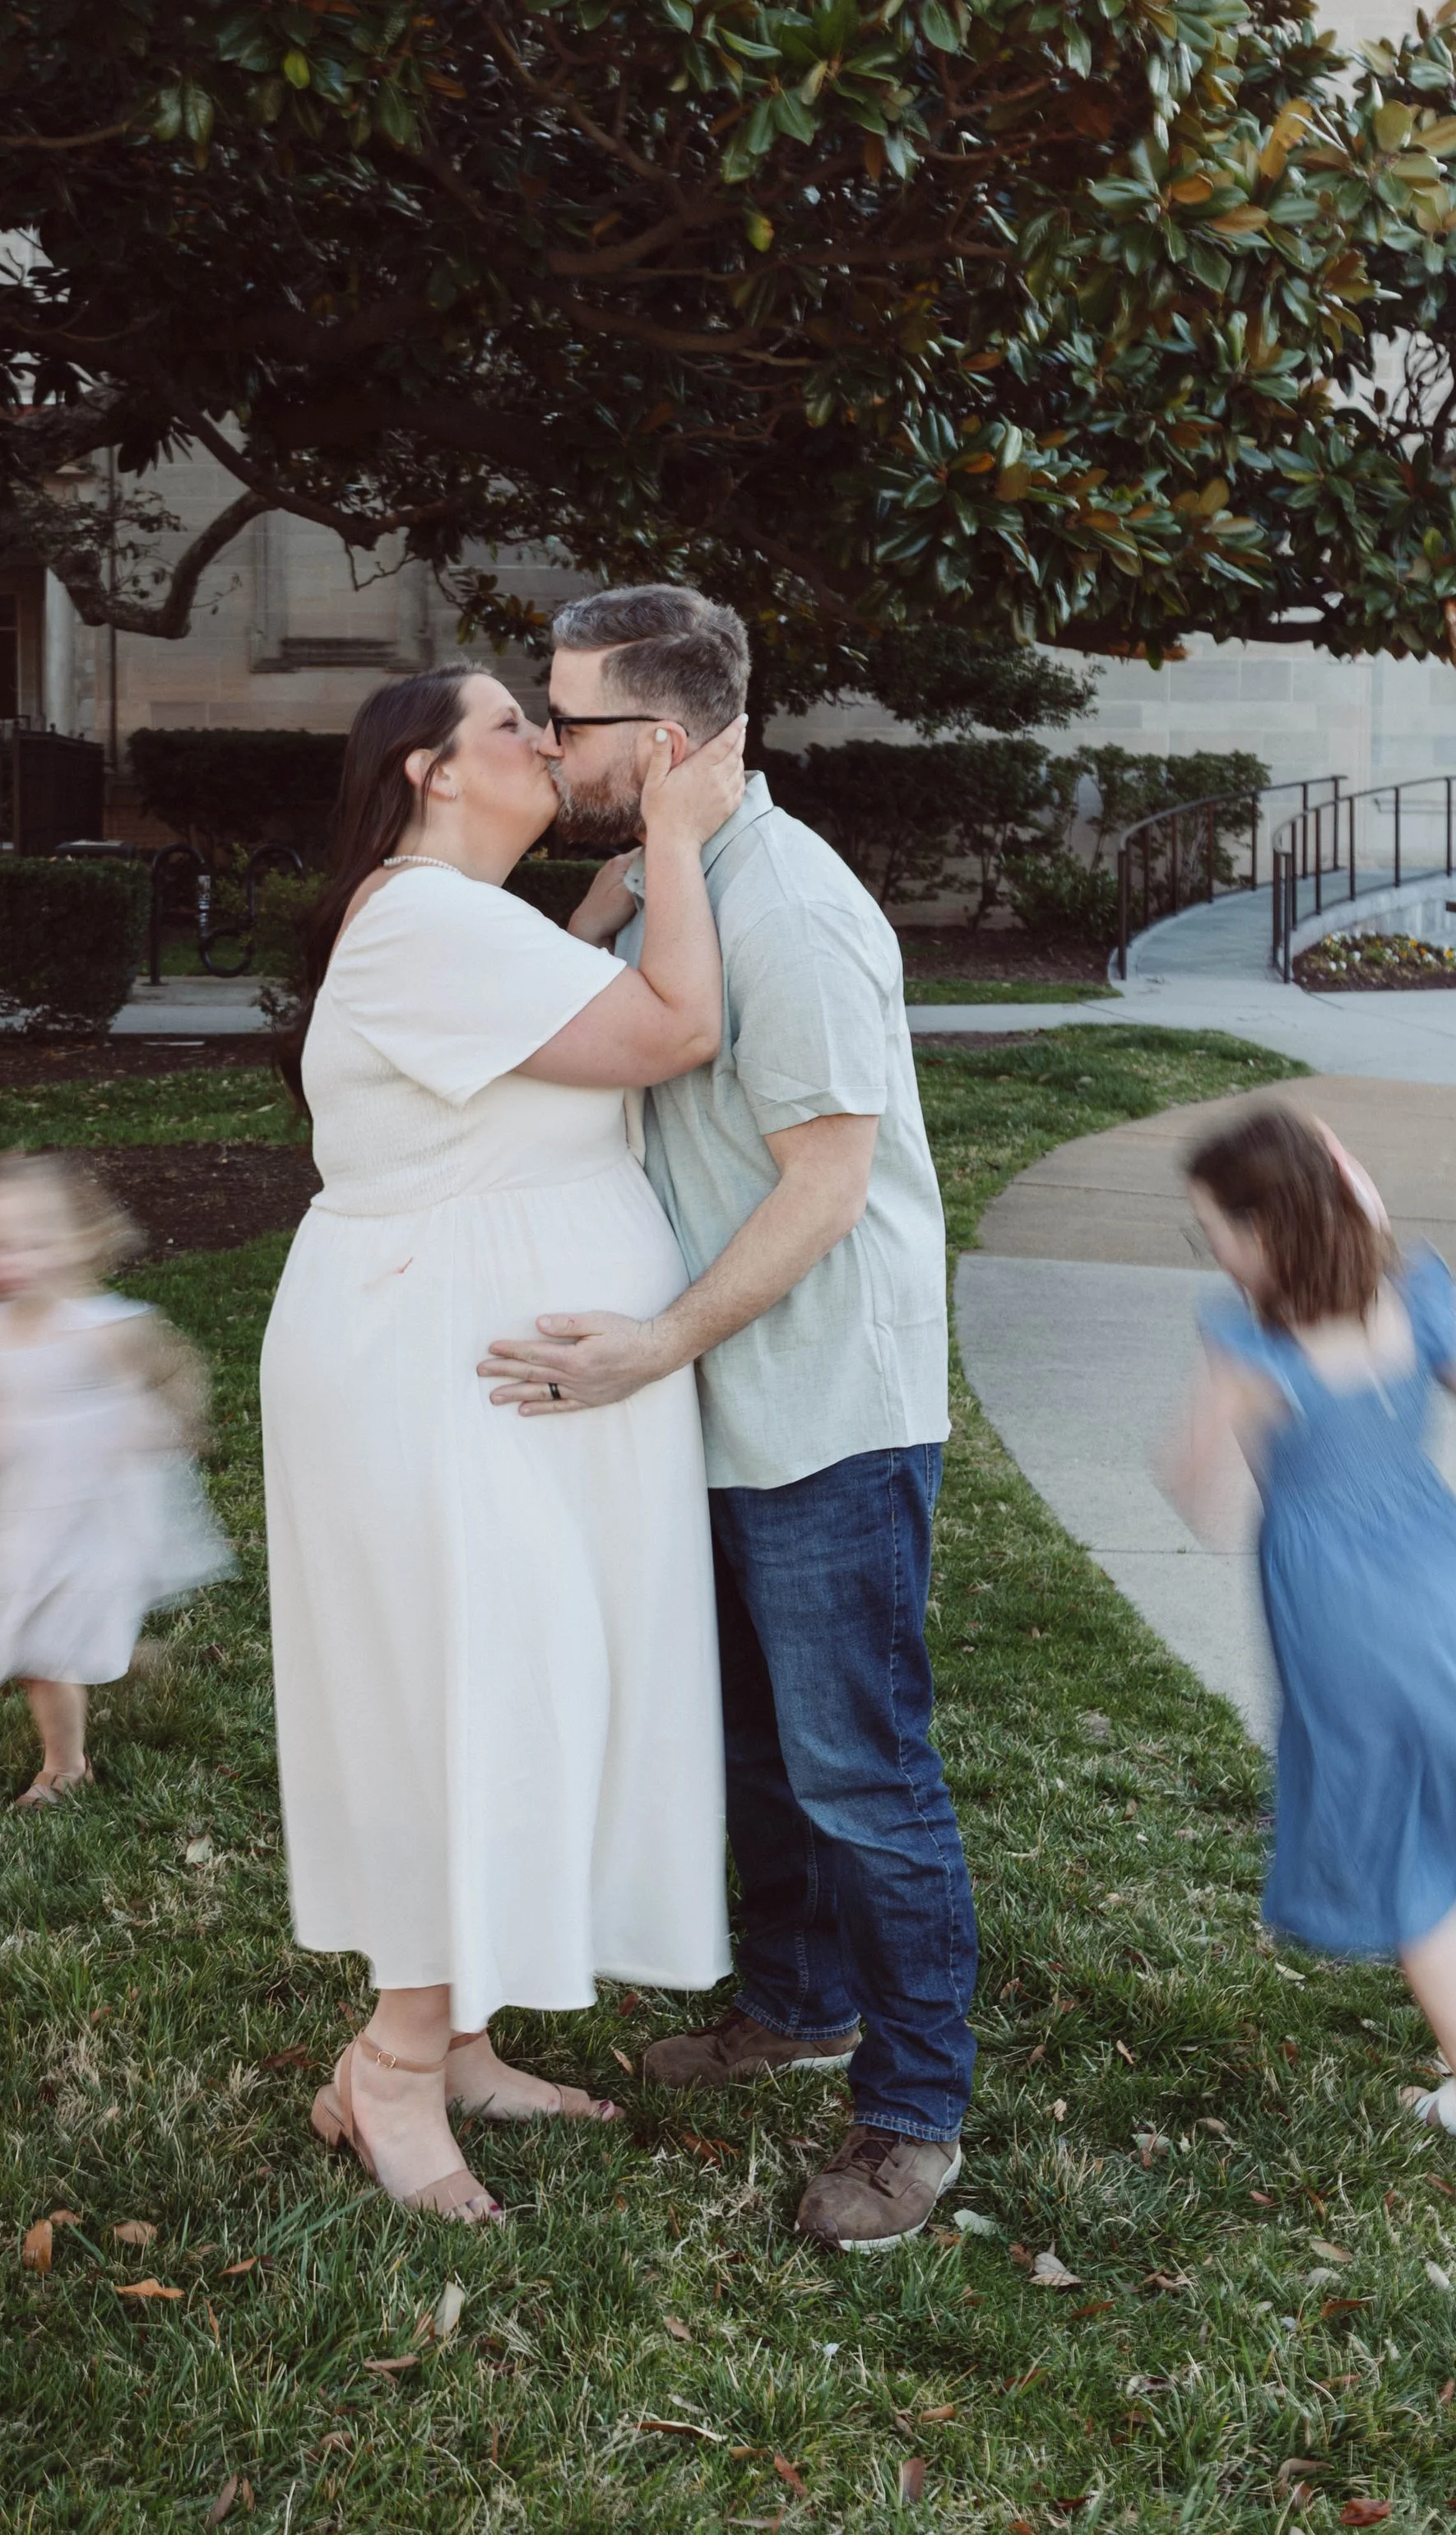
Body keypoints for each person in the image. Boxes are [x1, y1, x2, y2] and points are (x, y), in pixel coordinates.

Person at [481, 587, 971, 2251]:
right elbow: (543, 1028)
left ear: (665, 742)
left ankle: (911, 2116)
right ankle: (793, 2004)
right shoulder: (677, 884)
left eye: (569, 722)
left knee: (860, 1774)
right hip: (716, 1390)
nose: (545, 745)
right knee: (753, 1752)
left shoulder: (794, 914)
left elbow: (825, 1186)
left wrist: (651, 1346)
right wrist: (622, 873)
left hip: (824, 1401)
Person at [261, 664, 746, 2224]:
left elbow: (536, 1033)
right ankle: (391, 2072)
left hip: (482, 1371)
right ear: (428, 770)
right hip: (431, 1367)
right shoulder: (420, 921)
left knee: (509, 1682)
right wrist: (674, 834)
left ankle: (458, 2037)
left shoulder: (463, 923)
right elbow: (677, 1032)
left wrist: (598, 908)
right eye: (512, 727)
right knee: (459, 1688)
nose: (548, 742)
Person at [1161, 1102, 1456, 2152]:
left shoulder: (1245, 1340)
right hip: (1445, 1582)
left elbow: (1191, 1483)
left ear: (1264, 1230)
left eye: (1216, 1231)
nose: (1214, 1253)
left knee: (1411, 1842)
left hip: (1340, 1616)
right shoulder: (1410, 1297)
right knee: (1453, 1818)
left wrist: (1243, 1456)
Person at [0, 1153, 231, 1807]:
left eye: (29, 1242)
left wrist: (169, 1427)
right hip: (24, 1513)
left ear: (76, 1246)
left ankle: (63, 1767)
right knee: (28, 1635)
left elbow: (181, 1374)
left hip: (100, 1508)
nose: (4, 1260)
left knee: (47, 1653)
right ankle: (103, 1657)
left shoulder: (107, 1329)